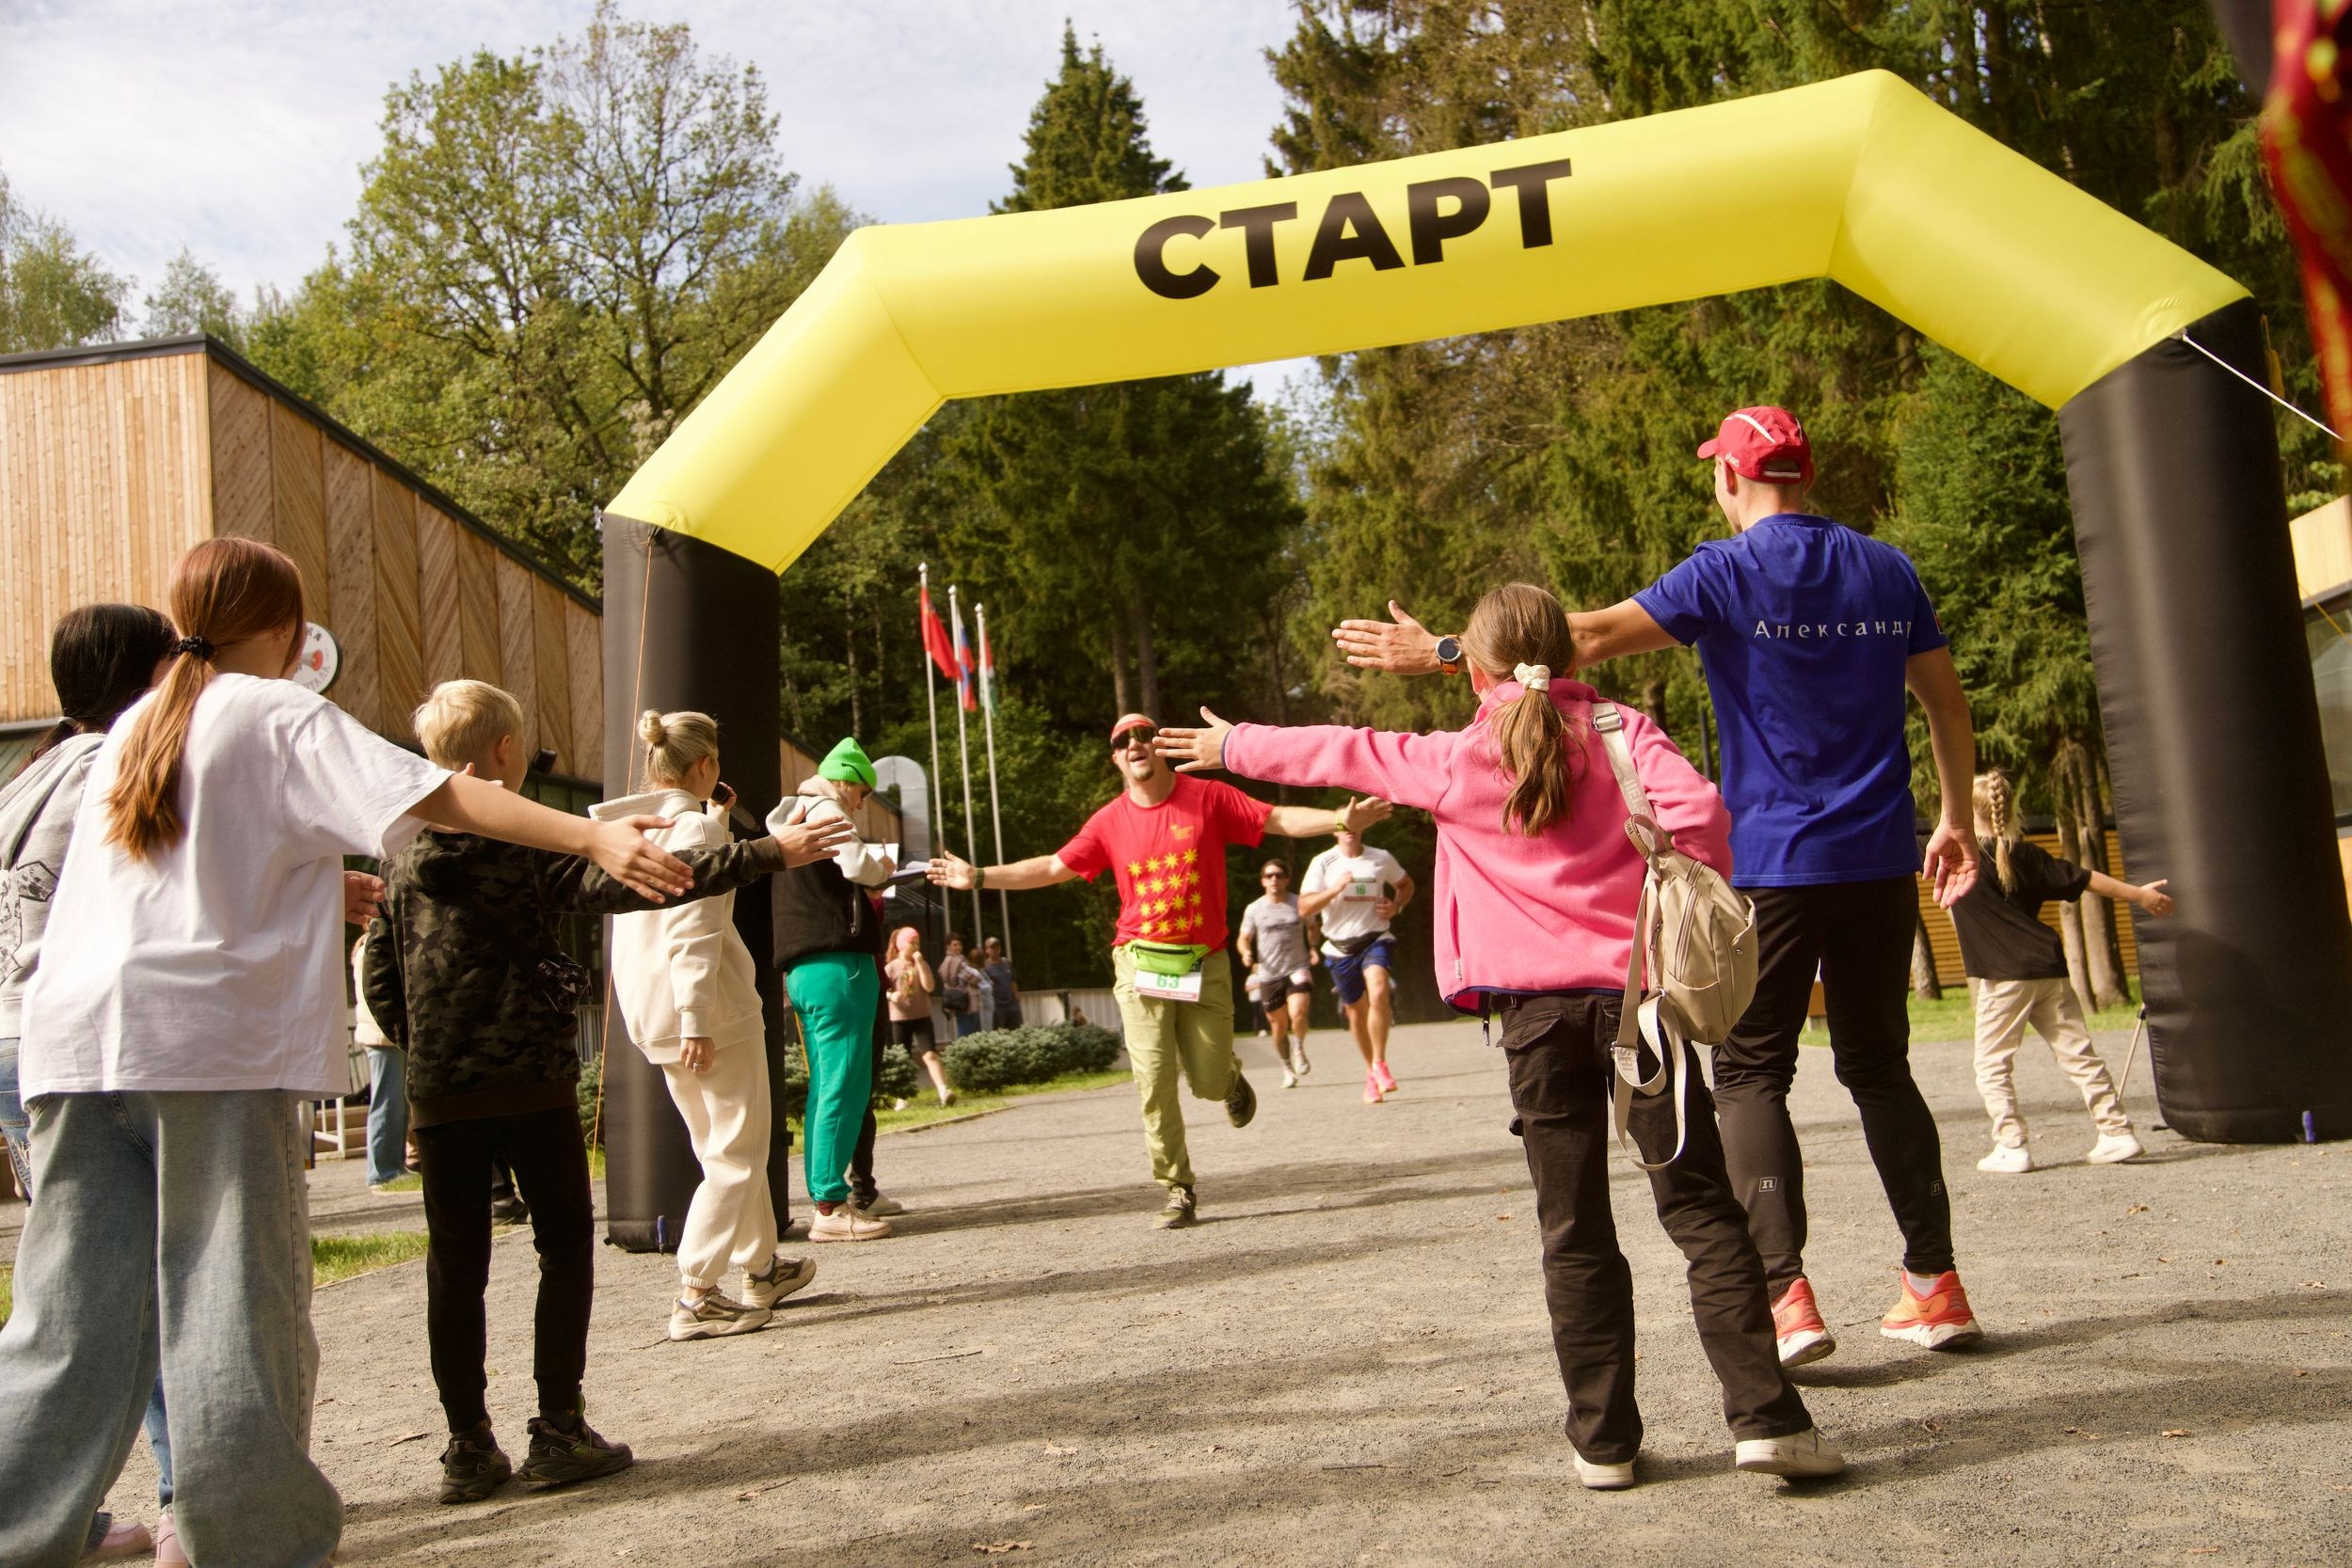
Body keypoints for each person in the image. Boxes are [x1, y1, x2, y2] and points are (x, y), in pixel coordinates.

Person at [0, 538, 696, 1568]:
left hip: (72, 1046)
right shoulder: (271, 710)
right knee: (233, 1301)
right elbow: (438, 793)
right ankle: (253, 1541)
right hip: (205, 1048)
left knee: (68, 1315)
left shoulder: (136, 725)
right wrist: (593, 836)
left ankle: (14, 1524)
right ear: (287, 629)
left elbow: (171, 875)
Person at [1334, 405, 1985, 1365]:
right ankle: (1936, 1284)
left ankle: (1787, 1299)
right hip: (1881, 856)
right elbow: (1947, 705)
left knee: (1751, 1073)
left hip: (1769, 863)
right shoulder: (1888, 570)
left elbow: (1578, 640)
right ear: (1804, 475)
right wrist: (1956, 818)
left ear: (1729, 478)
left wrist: (1444, 652)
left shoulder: (1724, 571)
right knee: (1881, 1067)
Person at [1164, 582, 1843, 1487]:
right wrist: (1671, 887)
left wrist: (1232, 746)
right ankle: (1766, 1420)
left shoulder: (1453, 759)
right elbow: (1704, 819)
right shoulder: (1624, 731)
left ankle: (1603, 1443)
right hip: (1642, 1004)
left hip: (1533, 1021)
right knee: (1700, 1211)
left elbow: (1343, 748)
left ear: (1475, 669)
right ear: (1573, 652)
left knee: (1573, 1227)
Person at [366, 680, 848, 1500]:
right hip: (531, 1082)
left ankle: (467, 1445)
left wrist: (429, 1051)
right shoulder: (524, 845)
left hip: (443, 1092)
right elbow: (649, 883)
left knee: (455, 1264)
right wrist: (770, 851)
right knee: (562, 1248)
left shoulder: (400, 859)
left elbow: (381, 975)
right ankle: (558, 1427)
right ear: (507, 752)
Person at [930, 712, 1390, 1228]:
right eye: (1123, 739)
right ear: (1116, 758)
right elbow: (1054, 867)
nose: (1135, 743)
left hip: (1204, 961)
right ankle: (1177, 1187)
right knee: (1153, 1076)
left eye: (1144, 735)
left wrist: (1340, 821)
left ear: (1159, 747)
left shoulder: (1208, 798)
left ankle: (1228, 1081)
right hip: (1139, 961)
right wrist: (979, 877)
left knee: (1207, 1081)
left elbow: (1276, 818)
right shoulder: (1108, 821)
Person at [0, 604, 179, 1563]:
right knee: (150, 1279)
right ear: (151, 675)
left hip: (13, 1039)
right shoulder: (124, 764)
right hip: (84, 1044)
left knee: (72, 1285)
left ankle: (65, 1507)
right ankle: (188, 1497)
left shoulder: (30, 776)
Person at [596, 708, 826, 1342]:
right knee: (738, 1151)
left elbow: (682, 899)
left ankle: (762, 1266)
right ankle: (696, 1292)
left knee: (721, 1144)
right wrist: (697, 1014)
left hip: (657, 1014)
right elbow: (694, 928)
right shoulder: (695, 826)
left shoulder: (644, 828)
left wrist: (716, 822)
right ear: (705, 765)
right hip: (709, 1013)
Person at [1955, 769, 2173, 1173]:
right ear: (2010, 809)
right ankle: (2117, 1133)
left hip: (2004, 978)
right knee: (2079, 1055)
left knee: (1991, 1065)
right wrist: (2140, 895)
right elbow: (2087, 879)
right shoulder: (2028, 855)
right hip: (2048, 969)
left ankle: (2012, 1145)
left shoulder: (1959, 857)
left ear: (1965, 811)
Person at [771, 736, 899, 1242]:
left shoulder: (789, 816)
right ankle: (828, 1205)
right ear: (847, 781)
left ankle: (825, 1198)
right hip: (839, 963)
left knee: (827, 1085)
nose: (861, 805)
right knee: (846, 1085)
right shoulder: (827, 808)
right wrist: (882, 870)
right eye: (862, 794)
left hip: (803, 969)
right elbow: (857, 866)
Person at [1300, 828, 1412, 1102]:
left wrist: (1396, 907)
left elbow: (1405, 884)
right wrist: (1334, 889)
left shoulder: (1380, 857)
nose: (1349, 830)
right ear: (1334, 831)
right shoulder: (1322, 862)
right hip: (1340, 948)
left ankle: (1380, 1063)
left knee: (1379, 989)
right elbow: (1304, 908)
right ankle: (1371, 1072)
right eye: (1343, 826)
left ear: (1361, 827)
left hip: (1375, 938)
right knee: (1355, 1011)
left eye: (1353, 825)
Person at [1236, 860, 1315, 1088]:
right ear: (1262, 881)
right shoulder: (1254, 908)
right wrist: (1245, 953)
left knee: (1298, 1012)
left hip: (1297, 967)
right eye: (1269, 876)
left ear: (1286, 879)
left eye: (1279, 875)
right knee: (1277, 1026)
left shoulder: (1299, 902)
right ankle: (1287, 1068)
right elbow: (1243, 938)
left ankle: (1298, 1048)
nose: (1274, 879)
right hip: (1269, 973)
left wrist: (1312, 947)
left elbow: (1312, 927)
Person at [353, 933, 410, 1194]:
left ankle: (394, 1167)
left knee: (395, 1104)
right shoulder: (372, 946)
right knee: (387, 1103)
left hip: (385, 1035)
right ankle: (382, 1171)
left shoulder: (371, 944)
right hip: (381, 1035)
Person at [885, 924, 955, 1105]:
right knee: (903, 1058)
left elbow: (929, 987)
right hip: (899, 1018)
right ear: (902, 945)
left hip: (922, 1016)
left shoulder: (921, 964)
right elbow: (880, 989)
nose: (916, 947)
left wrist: (921, 964)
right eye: (912, 943)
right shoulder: (892, 967)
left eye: (918, 943)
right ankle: (901, 1098)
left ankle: (943, 1090)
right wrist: (891, 995)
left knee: (930, 1054)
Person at [940, 934, 989, 1038]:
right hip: (967, 1003)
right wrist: (975, 973)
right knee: (967, 1036)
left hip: (963, 1003)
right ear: (948, 946)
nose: (958, 947)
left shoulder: (951, 960)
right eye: (954, 945)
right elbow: (976, 977)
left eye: (959, 944)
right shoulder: (956, 961)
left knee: (970, 1034)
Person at [981, 935, 1023, 1030]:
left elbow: (1013, 981)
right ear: (987, 950)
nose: (995, 950)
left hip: (1012, 1005)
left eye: (997, 947)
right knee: (1000, 1033)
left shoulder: (1007, 963)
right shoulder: (985, 967)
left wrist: (1016, 998)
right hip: (997, 1007)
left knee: (1017, 1031)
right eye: (992, 947)